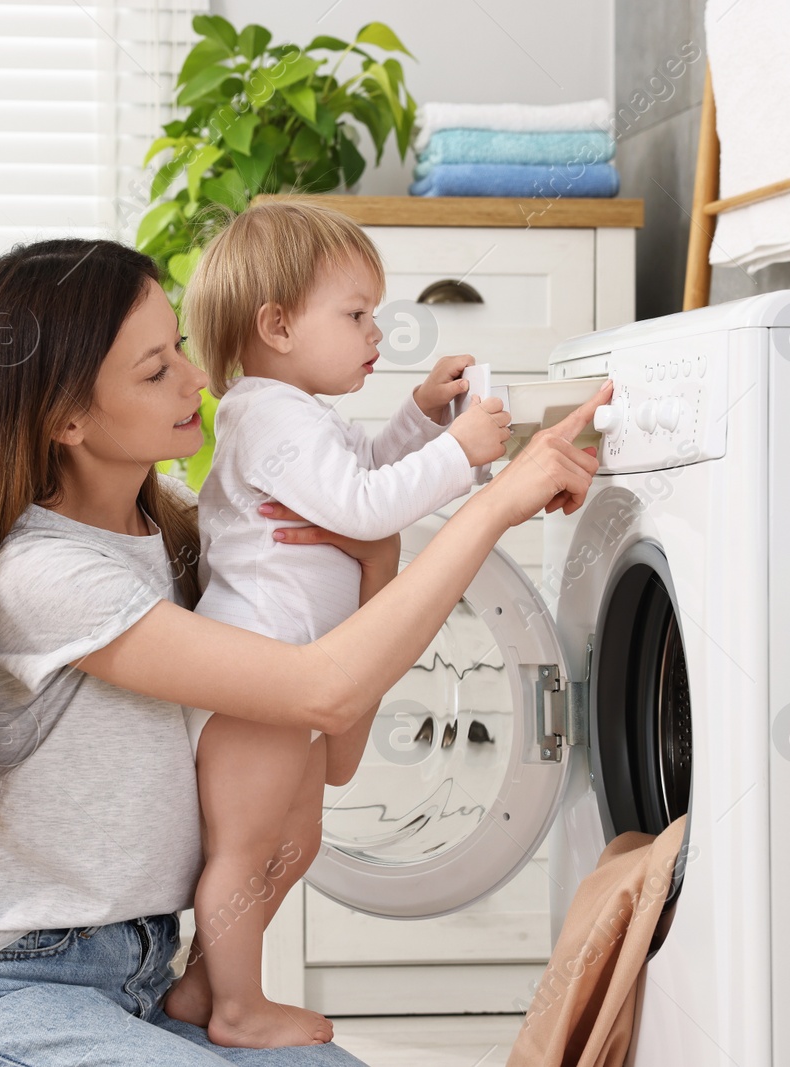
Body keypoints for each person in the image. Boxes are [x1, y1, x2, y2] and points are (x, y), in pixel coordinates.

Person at [0, 235, 612, 1067]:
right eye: (155, 369)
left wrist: (377, 557)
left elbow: (336, 750)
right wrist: (493, 507)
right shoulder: (46, 575)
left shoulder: (195, 538)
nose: (198, 378)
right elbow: (323, 691)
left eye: (181, 350)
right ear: (66, 418)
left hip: (146, 976)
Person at [165, 196, 513, 1048]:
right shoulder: (267, 415)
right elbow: (363, 507)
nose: (376, 333)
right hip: (256, 677)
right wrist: (461, 452)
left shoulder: (296, 414)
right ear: (277, 325)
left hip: (290, 675)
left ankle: (202, 991)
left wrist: (421, 418)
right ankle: (241, 1008)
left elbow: (360, 472)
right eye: (356, 314)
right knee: (247, 851)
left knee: (296, 840)